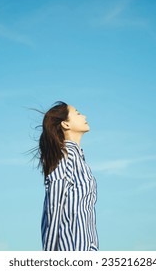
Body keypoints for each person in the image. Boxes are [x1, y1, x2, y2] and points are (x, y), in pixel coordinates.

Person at [37, 101, 99, 251]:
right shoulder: (66, 156)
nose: (84, 115)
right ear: (66, 124)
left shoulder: (78, 159)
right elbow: (53, 205)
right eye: (77, 113)